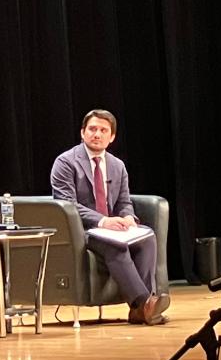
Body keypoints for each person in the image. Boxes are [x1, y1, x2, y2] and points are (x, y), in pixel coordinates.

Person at [51, 109, 169, 325]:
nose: (97, 134)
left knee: (147, 238)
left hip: (111, 229)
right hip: (82, 231)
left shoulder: (117, 166)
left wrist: (129, 217)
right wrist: (103, 221)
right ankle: (146, 303)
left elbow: (124, 202)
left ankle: (138, 311)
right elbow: (67, 205)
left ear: (112, 137)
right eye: (92, 129)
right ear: (82, 132)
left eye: (103, 130)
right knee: (117, 246)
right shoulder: (65, 162)